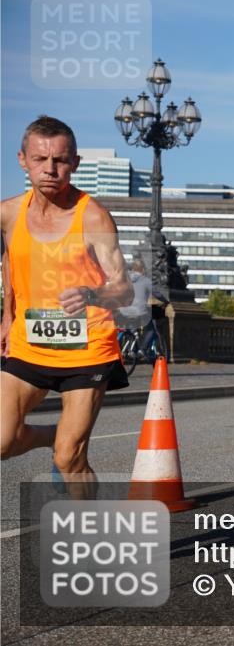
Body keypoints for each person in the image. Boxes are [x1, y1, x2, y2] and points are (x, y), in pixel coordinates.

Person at [1, 116, 133, 498]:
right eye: (40, 159)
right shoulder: (8, 215)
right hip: (29, 344)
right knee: (2, 442)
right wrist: (7, 317)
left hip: (86, 350)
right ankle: (53, 436)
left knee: (69, 459)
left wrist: (92, 295)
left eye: (60, 160)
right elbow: (10, 262)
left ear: (74, 163)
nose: (50, 169)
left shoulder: (93, 217)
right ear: (22, 159)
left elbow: (123, 290)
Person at [114, 258, 167, 360]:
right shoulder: (145, 280)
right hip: (139, 312)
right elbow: (157, 293)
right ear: (142, 269)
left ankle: (130, 347)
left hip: (123, 311)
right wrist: (165, 301)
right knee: (151, 330)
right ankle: (142, 350)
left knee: (133, 328)